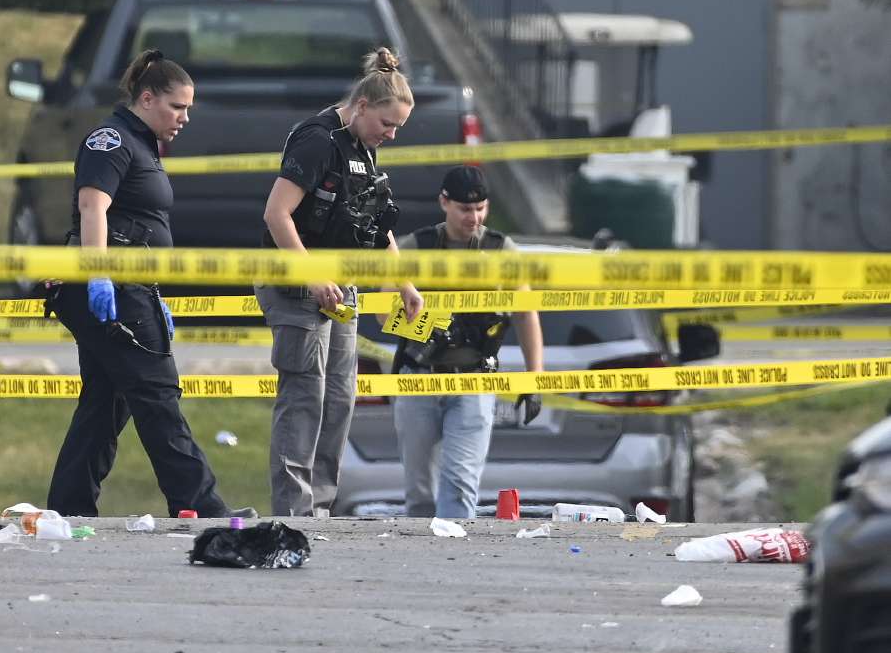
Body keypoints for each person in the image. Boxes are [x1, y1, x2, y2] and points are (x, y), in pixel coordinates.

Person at [45, 48, 254, 519]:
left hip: (131, 285)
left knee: (106, 402)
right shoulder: (111, 140)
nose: (184, 118)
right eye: (177, 107)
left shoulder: (141, 143)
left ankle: (70, 507)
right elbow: (92, 207)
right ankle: (199, 504)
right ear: (146, 98)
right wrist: (98, 272)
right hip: (113, 285)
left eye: (188, 109)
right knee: (157, 393)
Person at [257, 47, 423, 517]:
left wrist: (403, 284)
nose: (390, 136)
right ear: (363, 107)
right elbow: (276, 214)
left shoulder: (363, 149)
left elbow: (375, 225)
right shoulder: (318, 139)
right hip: (295, 282)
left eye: (397, 129)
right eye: (386, 125)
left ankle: (322, 506)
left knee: (340, 397)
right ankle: (294, 512)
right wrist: (311, 277)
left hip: (342, 287)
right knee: (304, 394)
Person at [391, 165, 545, 519]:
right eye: (464, 209)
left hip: (475, 378)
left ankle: (454, 562)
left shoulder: (501, 250)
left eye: (480, 209)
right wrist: (429, 327)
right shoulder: (418, 246)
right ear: (444, 202)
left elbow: (525, 314)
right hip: (420, 376)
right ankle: (415, 566)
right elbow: (382, 311)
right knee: (419, 492)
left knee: (460, 486)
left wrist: (534, 378)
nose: (473, 218)